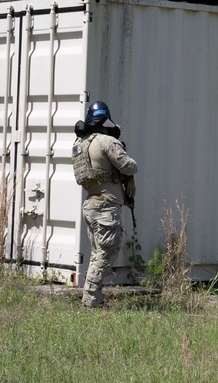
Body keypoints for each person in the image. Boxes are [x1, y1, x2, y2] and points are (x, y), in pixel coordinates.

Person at [74, 101, 137, 308]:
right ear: (105, 119)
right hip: (106, 209)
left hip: (91, 206)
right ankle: (90, 300)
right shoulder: (107, 141)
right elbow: (128, 166)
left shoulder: (81, 143)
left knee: (97, 253)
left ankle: (95, 299)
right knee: (105, 253)